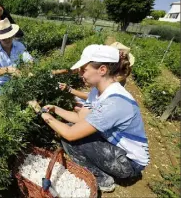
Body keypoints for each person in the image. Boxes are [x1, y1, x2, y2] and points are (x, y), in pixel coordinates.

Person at [28, 44, 149, 192]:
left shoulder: (115, 102)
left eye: (83, 69)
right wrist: (56, 109)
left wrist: (41, 113)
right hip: (115, 148)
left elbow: (71, 134)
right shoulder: (97, 91)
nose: (80, 74)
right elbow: (80, 118)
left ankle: (102, 179)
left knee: (70, 138)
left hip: (129, 163)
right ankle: (103, 172)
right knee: (71, 127)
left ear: (102, 70)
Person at [0, 18, 33, 98]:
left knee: (28, 90)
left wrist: (28, 70)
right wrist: (8, 70)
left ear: (12, 35)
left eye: (9, 36)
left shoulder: (19, 45)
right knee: (9, 94)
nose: (7, 39)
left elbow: (29, 59)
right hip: (1, 81)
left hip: (17, 79)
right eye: (4, 38)